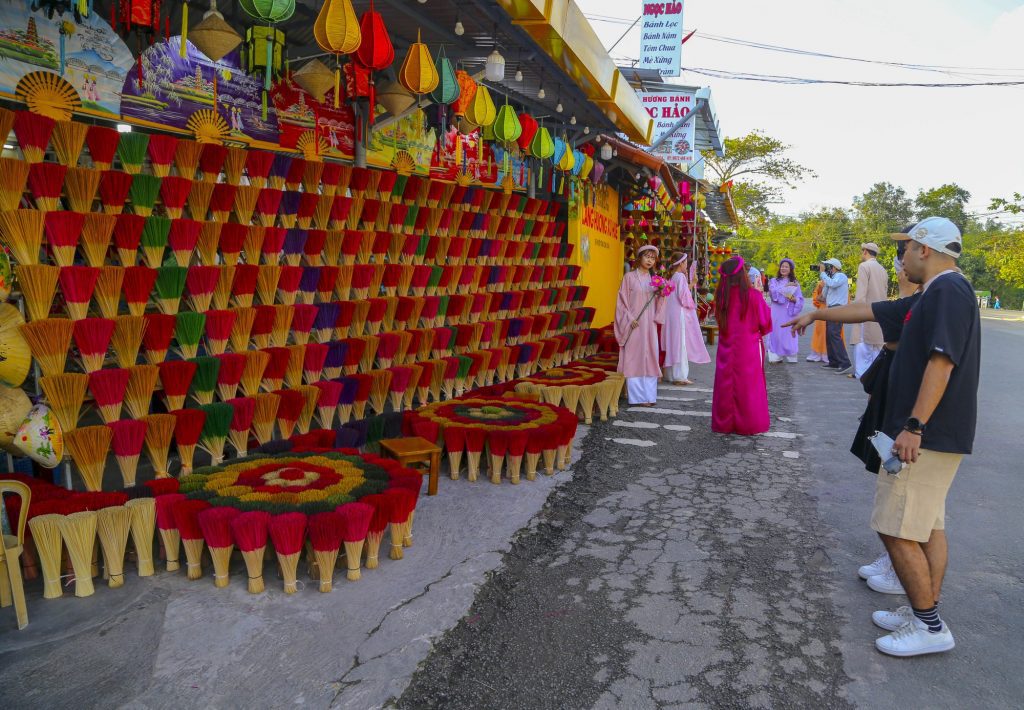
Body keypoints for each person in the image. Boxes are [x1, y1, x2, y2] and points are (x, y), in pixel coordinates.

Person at [785, 217, 980, 658]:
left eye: (906, 248)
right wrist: (816, 312)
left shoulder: (947, 292)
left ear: (924, 249)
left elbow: (942, 362)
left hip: (925, 435)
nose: (902, 257)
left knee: (895, 528)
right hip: (933, 433)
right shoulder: (931, 295)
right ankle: (923, 612)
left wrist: (914, 426)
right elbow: (869, 311)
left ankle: (930, 625)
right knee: (927, 527)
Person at [851, 235, 921, 597]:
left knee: (902, 488)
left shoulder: (925, 301)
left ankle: (901, 567)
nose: (900, 264)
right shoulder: (907, 300)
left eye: (904, 255)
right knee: (887, 476)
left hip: (908, 405)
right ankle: (892, 558)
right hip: (892, 391)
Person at [711, 255, 772, 435]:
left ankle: (724, 423)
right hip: (748, 348)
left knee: (725, 385)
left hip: (726, 348)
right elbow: (766, 323)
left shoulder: (721, 297)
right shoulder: (752, 296)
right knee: (748, 387)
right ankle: (748, 423)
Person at [615, 245, 666, 406]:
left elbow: (659, 304)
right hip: (634, 324)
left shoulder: (656, 280)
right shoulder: (629, 278)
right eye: (647, 256)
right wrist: (629, 319)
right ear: (639, 258)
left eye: (653, 257)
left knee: (650, 356)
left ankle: (650, 396)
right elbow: (621, 302)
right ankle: (637, 398)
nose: (650, 260)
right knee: (634, 358)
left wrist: (662, 294)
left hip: (649, 325)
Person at [660, 253, 710, 385]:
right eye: (685, 262)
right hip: (678, 314)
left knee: (673, 342)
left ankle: (670, 374)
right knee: (680, 343)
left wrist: (692, 283)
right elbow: (683, 296)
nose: (686, 265)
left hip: (670, 314)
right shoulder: (680, 276)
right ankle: (680, 376)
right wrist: (692, 286)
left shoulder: (672, 276)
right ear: (681, 263)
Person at [849, 243, 889, 378]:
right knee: (875, 345)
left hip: (865, 311)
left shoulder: (864, 266)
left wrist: (856, 311)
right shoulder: (883, 269)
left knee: (862, 344)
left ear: (865, 251)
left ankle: (862, 374)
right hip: (879, 312)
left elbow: (861, 293)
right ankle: (874, 375)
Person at [766, 258, 804, 363]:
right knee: (776, 331)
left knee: (789, 332)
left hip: (789, 311)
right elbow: (773, 293)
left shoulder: (795, 282)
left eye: (786, 267)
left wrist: (795, 299)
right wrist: (785, 287)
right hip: (777, 311)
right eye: (782, 266)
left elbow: (800, 298)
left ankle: (791, 354)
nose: (784, 268)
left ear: (790, 269)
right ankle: (775, 356)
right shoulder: (774, 281)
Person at [819, 258, 852, 374]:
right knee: (829, 335)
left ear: (833, 267)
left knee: (835, 335)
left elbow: (833, 284)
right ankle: (833, 361)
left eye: (828, 267)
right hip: (831, 308)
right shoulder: (831, 278)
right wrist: (824, 281)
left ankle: (845, 363)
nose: (826, 269)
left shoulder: (841, 276)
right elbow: (824, 295)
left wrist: (823, 274)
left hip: (838, 308)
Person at [806, 280, 830, 362]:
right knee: (820, 331)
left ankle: (829, 353)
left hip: (834, 309)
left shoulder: (840, 280)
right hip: (822, 309)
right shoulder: (822, 282)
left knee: (832, 332)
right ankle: (818, 352)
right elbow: (816, 297)